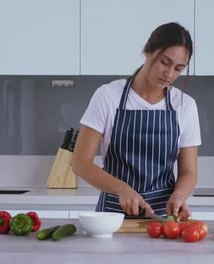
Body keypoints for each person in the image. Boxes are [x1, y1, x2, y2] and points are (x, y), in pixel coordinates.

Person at [72, 22, 201, 221]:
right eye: (165, 62)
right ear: (148, 51)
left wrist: (179, 196)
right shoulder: (108, 96)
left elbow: (189, 171)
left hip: (164, 218)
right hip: (112, 218)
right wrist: (122, 189)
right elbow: (80, 163)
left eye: (178, 68)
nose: (169, 74)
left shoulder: (185, 105)